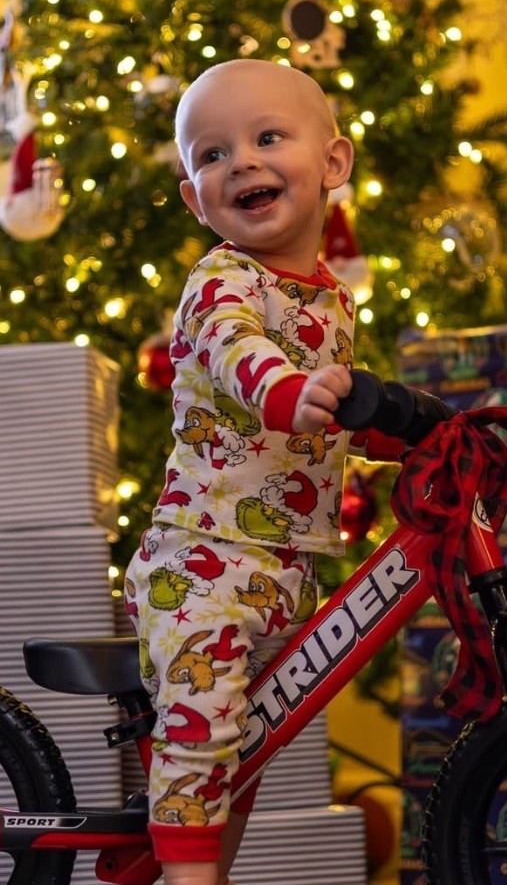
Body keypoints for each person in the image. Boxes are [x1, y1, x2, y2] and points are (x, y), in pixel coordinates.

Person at [124, 59, 406, 885]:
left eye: (267, 138)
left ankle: (206, 869)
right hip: (201, 561)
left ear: (333, 164)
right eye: (211, 155)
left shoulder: (330, 299)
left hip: (284, 565)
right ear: (193, 197)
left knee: (248, 754)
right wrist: (289, 392)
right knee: (205, 729)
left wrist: (401, 439)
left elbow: (327, 422)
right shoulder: (221, 282)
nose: (240, 161)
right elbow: (242, 358)